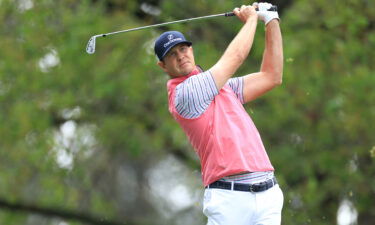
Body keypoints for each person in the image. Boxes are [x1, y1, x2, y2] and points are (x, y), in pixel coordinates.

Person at [154, 2, 283, 225]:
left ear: (191, 50)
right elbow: (235, 58)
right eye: (172, 54)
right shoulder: (184, 94)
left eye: (183, 49)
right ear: (163, 66)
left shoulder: (225, 88)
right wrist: (252, 19)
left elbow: (272, 76)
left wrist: (271, 20)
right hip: (230, 199)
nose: (180, 56)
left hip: (268, 192)